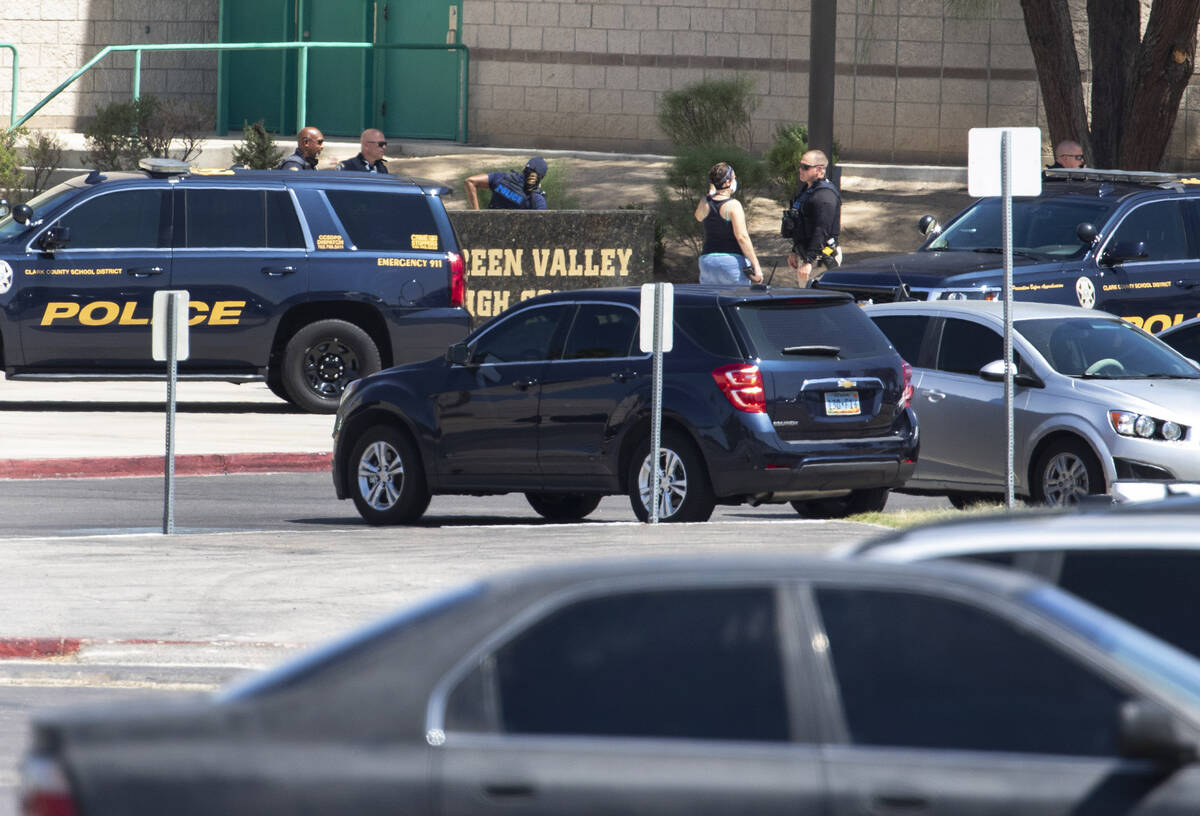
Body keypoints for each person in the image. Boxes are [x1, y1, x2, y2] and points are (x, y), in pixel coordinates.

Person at [693, 162, 763, 285]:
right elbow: (742, 237)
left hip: (707, 261)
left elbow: (698, 217)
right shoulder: (733, 205)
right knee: (736, 300)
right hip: (731, 262)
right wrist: (756, 265)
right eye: (733, 178)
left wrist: (710, 194)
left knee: (711, 301)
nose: (735, 181)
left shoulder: (704, 202)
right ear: (727, 182)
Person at [785, 149, 842, 287]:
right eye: (800, 166)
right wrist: (795, 251)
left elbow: (821, 230)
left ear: (819, 169)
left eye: (805, 167)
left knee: (814, 302)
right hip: (806, 256)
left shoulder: (824, 195)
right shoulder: (808, 191)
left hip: (820, 259)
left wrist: (808, 261)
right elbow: (801, 224)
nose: (800, 170)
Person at [464, 157, 548, 210]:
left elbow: (470, 181)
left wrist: (476, 213)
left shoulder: (501, 178)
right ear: (541, 178)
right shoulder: (537, 199)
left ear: (524, 168)